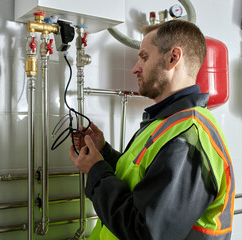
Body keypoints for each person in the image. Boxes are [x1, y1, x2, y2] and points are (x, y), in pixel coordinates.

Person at [69, 20, 235, 240]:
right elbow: (144, 185)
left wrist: (97, 172)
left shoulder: (189, 137)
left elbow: (145, 232)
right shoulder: (166, 123)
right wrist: (104, 154)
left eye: (144, 57)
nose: (135, 68)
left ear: (173, 58)